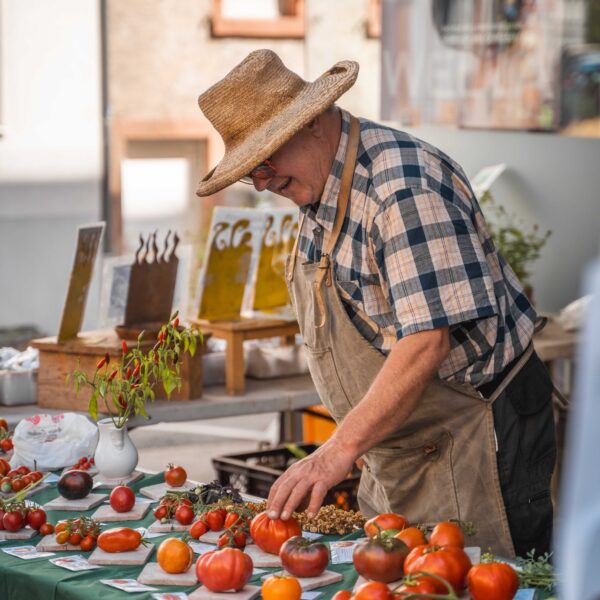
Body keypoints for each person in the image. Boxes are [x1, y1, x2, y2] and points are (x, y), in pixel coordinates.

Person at [196, 49, 556, 557]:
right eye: (250, 170)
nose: (262, 181)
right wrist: (358, 440)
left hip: (473, 436)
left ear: (315, 120)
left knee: (488, 580)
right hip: (397, 446)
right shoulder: (319, 186)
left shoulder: (401, 190)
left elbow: (427, 341)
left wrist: (339, 448)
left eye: (267, 159)